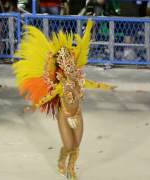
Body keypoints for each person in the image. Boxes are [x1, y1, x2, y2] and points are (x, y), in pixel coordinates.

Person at [13, 20, 116, 180]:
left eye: (72, 64)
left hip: (78, 115)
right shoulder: (61, 85)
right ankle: (62, 158)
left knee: (76, 146)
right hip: (65, 116)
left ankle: (71, 168)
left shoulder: (80, 79)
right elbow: (48, 96)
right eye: (68, 65)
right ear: (62, 68)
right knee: (68, 146)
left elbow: (93, 84)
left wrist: (107, 87)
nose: (72, 67)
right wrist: (34, 106)